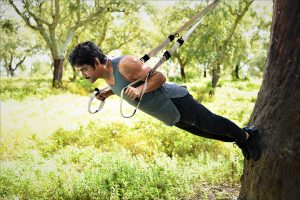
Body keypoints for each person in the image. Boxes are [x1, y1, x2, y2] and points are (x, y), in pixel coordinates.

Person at [69, 41, 261, 161]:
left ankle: (248, 137)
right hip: (169, 114)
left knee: (212, 123)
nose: (84, 74)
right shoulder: (107, 76)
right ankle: (241, 139)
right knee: (209, 133)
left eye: (84, 69)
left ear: (96, 62)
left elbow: (159, 77)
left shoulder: (125, 64)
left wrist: (139, 89)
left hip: (175, 100)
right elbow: (119, 86)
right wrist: (104, 94)